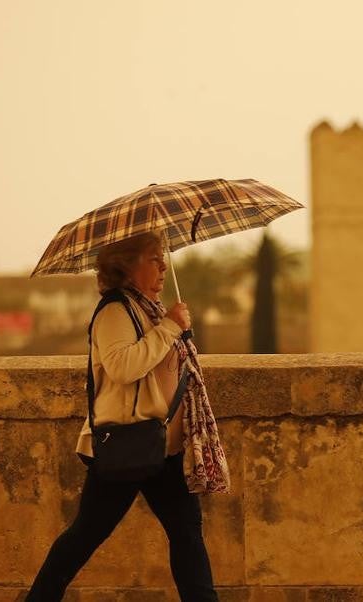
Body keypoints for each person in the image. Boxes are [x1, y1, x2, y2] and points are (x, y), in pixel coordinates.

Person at [26, 231, 220, 601]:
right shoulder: (115, 311)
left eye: (162, 257)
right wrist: (170, 327)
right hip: (129, 444)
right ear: (126, 266)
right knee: (85, 536)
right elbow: (123, 367)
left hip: (163, 446)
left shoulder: (148, 308)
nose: (163, 266)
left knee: (187, 533)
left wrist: (174, 327)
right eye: (153, 258)